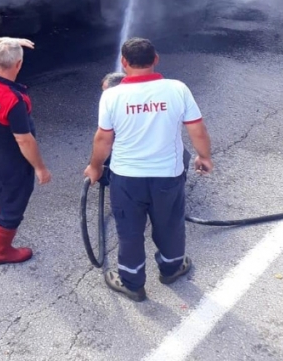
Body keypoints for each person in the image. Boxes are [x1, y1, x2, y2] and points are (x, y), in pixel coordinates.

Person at [84, 38, 213, 302]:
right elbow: (197, 129)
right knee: (169, 223)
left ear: (124, 62)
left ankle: (132, 283)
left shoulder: (111, 96)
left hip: (126, 179)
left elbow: (103, 139)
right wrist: (204, 157)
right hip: (168, 175)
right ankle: (172, 267)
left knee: (129, 230)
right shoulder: (177, 89)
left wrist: (95, 167)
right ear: (156, 59)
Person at [0, 36, 52, 264]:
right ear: (18, 65)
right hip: (11, 162)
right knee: (13, 204)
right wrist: (40, 168)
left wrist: (9, 40)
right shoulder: (14, 100)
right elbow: (24, 140)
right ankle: (1, 251)